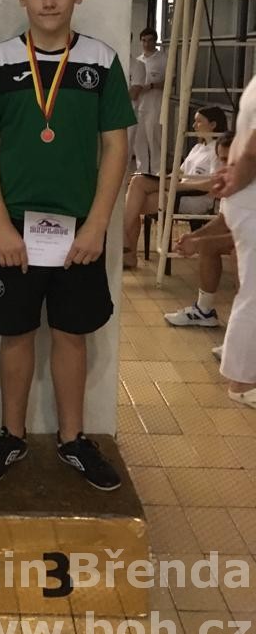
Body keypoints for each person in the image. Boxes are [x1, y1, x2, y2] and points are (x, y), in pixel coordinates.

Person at [0, 0, 135, 491]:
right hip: (15, 228)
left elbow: (116, 146)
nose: (50, 1)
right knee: (15, 334)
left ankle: (72, 439)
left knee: (70, 333)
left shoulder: (101, 62)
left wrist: (99, 224)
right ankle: (11, 435)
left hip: (80, 230)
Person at [122, 106, 227, 269]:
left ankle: (124, 244)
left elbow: (213, 184)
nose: (194, 126)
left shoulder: (217, 150)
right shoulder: (197, 148)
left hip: (193, 198)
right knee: (136, 197)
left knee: (137, 186)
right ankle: (128, 252)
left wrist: (180, 186)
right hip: (177, 190)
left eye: (199, 122)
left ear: (213, 124)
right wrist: (165, 179)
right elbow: (179, 172)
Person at [212, 76, 256, 408]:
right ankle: (241, 381)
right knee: (254, 293)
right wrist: (237, 180)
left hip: (246, 195)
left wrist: (234, 174)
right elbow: (252, 148)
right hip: (251, 199)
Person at [164, 132, 234, 328]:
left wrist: (199, 243)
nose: (225, 166)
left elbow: (246, 236)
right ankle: (204, 311)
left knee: (238, 254)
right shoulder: (231, 183)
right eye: (222, 160)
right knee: (209, 247)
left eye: (231, 161)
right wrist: (194, 236)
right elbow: (224, 221)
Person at [133, 27, 166, 174]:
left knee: (154, 139)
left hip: (155, 106)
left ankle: (157, 173)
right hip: (139, 106)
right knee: (138, 140)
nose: (147, 44)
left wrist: (151, 86)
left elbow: (171, 82)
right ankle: (142, 172)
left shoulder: (163, 59)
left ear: (155, 41)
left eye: (150, 40)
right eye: (144, 40)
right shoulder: (138, 61)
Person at [127, 38, 146, 169]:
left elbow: (134, 93)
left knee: (124, 152)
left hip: (128, 114)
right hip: (105, 113)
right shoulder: (105, 61)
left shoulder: (137, 65)